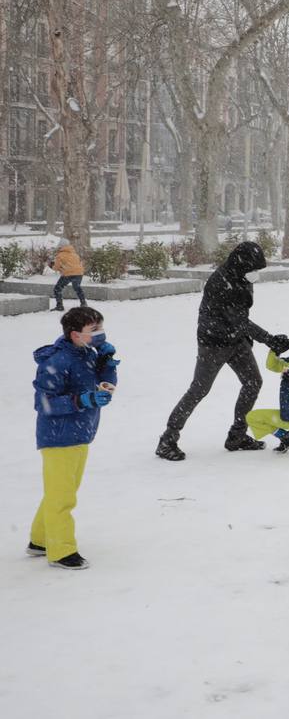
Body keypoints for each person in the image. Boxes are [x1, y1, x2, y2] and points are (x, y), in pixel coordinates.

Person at [156, 241, 289, 461]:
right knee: (199, 390)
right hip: (213, 343)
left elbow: (241, 319)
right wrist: (269, 339)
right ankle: (167, 440)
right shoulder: (221, 282)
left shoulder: (241, 275)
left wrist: (266, 339)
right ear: (242, 265)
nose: (255, 274)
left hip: (236, 340)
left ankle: (237, 436)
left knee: (253, 382)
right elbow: (239, 320)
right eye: (253, 269)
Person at [29, 306, 117, 570]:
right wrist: (82, 399)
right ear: (75, 334)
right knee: (63, 497)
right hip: (58, 438)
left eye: (101, 327)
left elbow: (106, 386)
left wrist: (107, 364)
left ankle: (40, 540)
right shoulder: (57, 362)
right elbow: (43, 403)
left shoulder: (87, 354)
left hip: (80, 433)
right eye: (94, 330)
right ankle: (61, 550)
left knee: (61, 491)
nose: (100, 334)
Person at [49, 239, 87, 311]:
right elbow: (77, 264)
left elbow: (56, 268)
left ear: (60, 247)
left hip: (68, 273)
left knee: (57, 289)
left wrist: (51, 266)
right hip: (79, 273)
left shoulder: (60, 255)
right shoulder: (75, 254)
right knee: (77, 287)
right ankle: (83, 303)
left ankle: (59, 306)